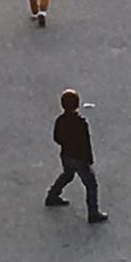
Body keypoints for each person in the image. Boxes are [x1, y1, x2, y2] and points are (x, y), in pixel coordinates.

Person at [44, 88, 106, 223]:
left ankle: (52, 195)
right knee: (91, 184)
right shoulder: (80, 123)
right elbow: (85, 142)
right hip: (80, 157)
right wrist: (89, 159)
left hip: (66, 154)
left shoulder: (60, 120)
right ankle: (93, 213)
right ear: (77, 104)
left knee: (68, 174)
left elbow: (57, 138)